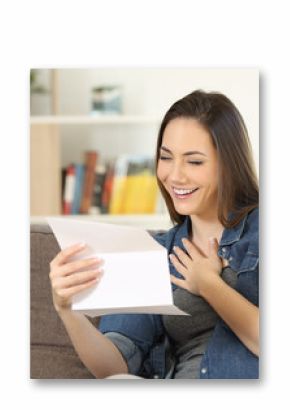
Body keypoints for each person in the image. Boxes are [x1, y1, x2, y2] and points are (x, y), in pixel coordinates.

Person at [49, 90, 259, 379]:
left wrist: (209, 284)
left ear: (228, 164)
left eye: (194, 161)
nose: (175, 176)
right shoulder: (155, 252)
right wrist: (68, 310)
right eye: (166, 157)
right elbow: (115, 366)